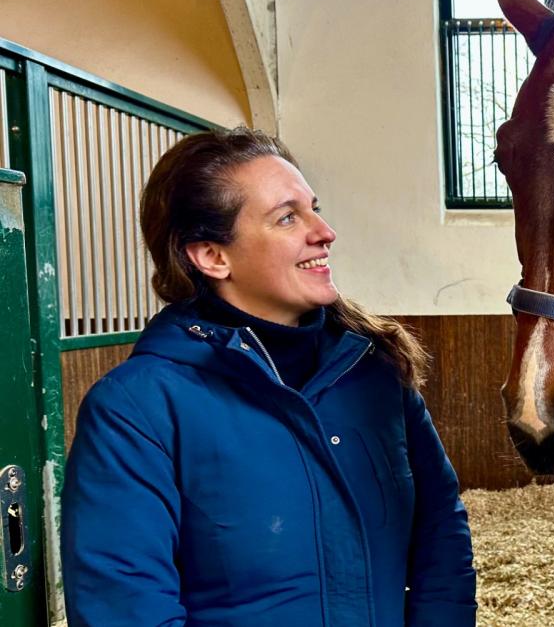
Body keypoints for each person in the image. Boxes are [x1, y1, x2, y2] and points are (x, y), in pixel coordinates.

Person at [62, 128, 476, 626]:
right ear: (212, 256)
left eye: (314, 207)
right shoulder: (137, 409)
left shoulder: (375, 374)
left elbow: (442, 539)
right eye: (287, 217)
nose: (323, 231)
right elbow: (124, 607)